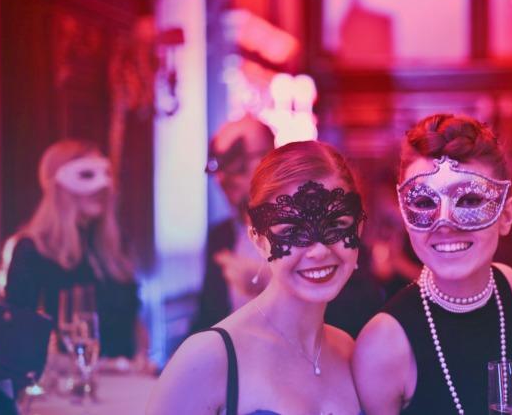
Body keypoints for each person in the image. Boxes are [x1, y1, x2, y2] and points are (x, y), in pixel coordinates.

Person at [147, 140, 365, 414]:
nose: (319, 250)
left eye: (335, 225)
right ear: (259, 241)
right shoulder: (208, 358)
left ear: (359, 229)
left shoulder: (349, 352)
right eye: (292, 230)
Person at [353, 114, 512, 415]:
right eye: (426, 203)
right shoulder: (383, 345)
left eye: (468, 201)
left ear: (506, 216)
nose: (445, 223)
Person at [2, 139, 139, 358]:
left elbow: (132, 329)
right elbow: (16, 336)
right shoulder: (32, 251)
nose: (102, 186)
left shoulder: (116, 247)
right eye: (86, 175)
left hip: (125, 382)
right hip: (65, 384)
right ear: (57, 185)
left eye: (106, 174)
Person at [190, 115, 275, 333]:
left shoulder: (307, 230)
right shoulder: (221, 236)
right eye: (218, 165)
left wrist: (271, 283)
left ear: (269, 159)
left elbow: (353, 310)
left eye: (237, 163)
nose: (222, 177)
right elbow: (206, 319)